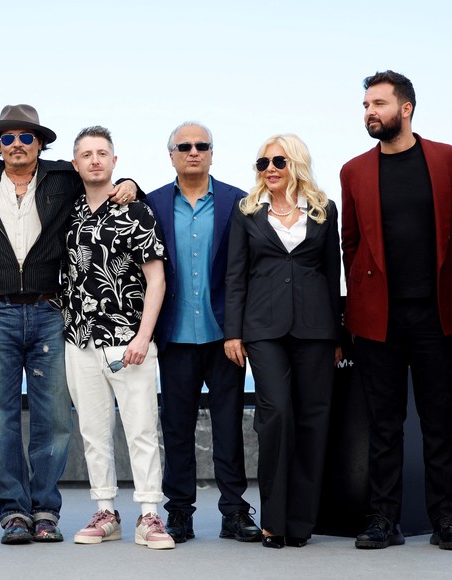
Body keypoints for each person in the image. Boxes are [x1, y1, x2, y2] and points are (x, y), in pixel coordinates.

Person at [0, 105, 137, 544]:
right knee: (0, 420)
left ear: (41, 143)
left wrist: (130, 183)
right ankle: (13, 512)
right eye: (8, 138)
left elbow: (99, 174)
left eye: (27, 137)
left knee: (55, 418)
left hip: (49, 312)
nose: (17, 144)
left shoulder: (63, 178)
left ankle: (45, 510)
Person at [341, 70, 452, 551]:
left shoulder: (446, 160)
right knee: (383, 424)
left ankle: (446, 517)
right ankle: (385, 519)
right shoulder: (354, 171)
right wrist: (357, 309)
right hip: (379, 317)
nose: (370, 112)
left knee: (440, 421)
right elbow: (349, 245)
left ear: (405, 109)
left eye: (379, 104)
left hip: (438, 314)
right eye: (366, 105)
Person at [224, 134, 341, 549]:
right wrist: (233, 331)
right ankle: (274, 520)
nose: (270, 169)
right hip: (263, 329)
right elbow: (235, 275)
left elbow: (332, 273)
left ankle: (301, 523)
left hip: (316, 328)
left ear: (296, 164)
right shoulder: (247, 212)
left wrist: (337, 334)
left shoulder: (324, 210)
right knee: (275, 415)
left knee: (313, 420)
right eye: (263, 163)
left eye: (278, 161)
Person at [145, 122, 261, 544]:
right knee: (176, 428)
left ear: (212, 153)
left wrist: (241, 329)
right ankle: (179, 513)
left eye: (201, 145)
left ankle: (234, 512)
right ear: (171, 155)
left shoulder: (238, 202)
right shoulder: (153, 203)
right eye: (184, 146)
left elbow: (248, 270)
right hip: (175, 336)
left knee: (229, 426)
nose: (193, 151)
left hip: (225, 337)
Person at [63, 126, 172, 550]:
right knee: (93, 431)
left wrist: (144, 337)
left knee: (141, 429)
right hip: (80, 340)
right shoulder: (70, 212)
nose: (95, 160)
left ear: (114, 161)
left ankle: (150, 515)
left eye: (102, 153)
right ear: (75, 164)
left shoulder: (136, 211)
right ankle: (105, 512)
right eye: (86, 154)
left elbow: (156, 279)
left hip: (128, 339)